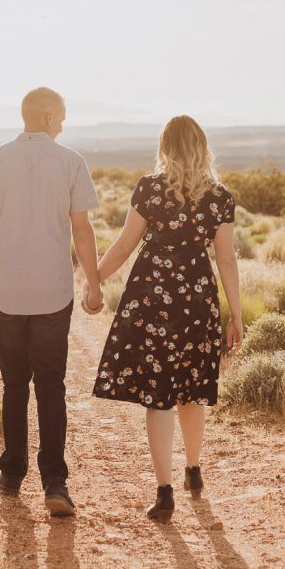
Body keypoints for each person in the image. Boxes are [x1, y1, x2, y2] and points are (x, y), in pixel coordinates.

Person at [87, 115, 242, 523]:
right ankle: (193, 469)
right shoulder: (220, 197)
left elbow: (122, 247)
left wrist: (92, 281)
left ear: (165, 148)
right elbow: (225, 260)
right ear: (202, 148)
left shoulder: (150, 189)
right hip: (196, 298)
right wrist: (236, 314)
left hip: (153, 299)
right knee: (192, 387)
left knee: (158, 395)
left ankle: (164, 491)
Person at [0, 87, 104, 517]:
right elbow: (82, 229)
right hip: (52, 294)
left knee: (13, 385)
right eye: (61, 116)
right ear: (46, 116)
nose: (63, 124)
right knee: (51, 385)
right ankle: (55, 483)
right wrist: (94, 284)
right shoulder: (70, 162)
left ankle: (12, 472)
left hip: (7, 293)